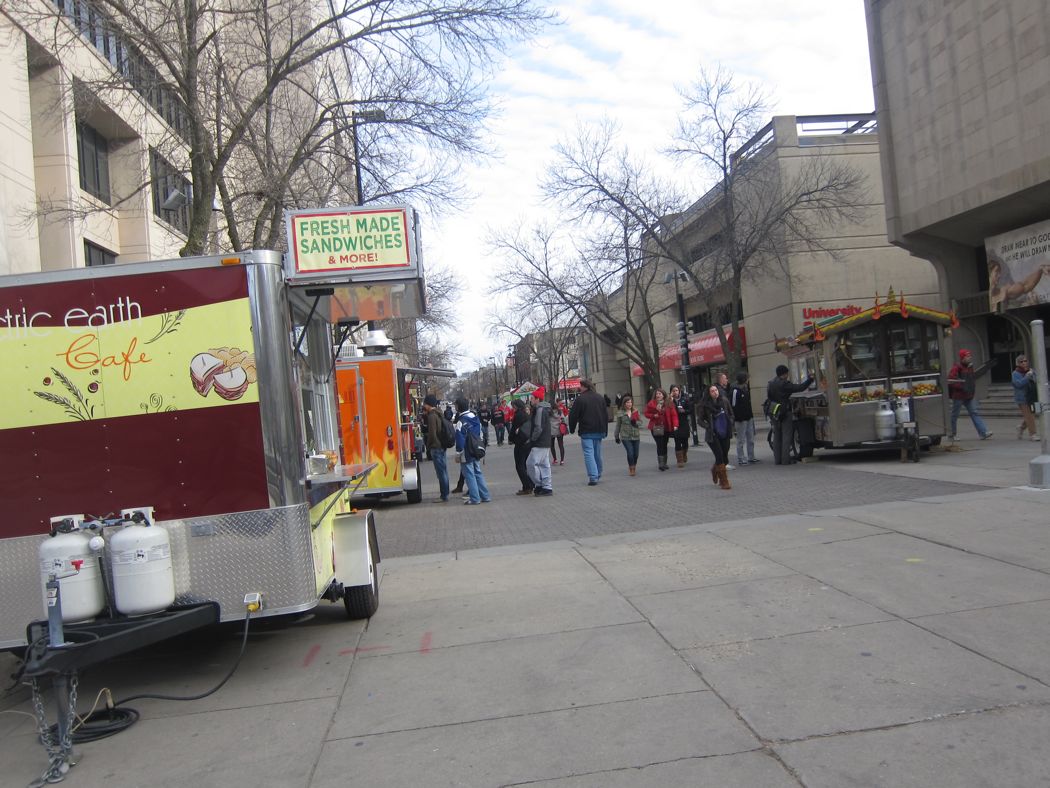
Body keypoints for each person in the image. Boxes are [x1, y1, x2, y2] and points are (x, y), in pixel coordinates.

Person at [766, 364, 814, 465]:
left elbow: (770, 397)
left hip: (774, 411)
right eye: (787, 374)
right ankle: (785, 460)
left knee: (777, 435)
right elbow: (800, 388)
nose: (787, 375)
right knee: (786, 435)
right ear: (784, 374)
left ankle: (777, 460)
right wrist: (810, 379)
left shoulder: (770, 383)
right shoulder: (784, 384)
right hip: (784, 411)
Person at [568, 378, 608, 485]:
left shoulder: (580, 399)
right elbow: (605, 415)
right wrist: (605, 430)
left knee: (588, 453)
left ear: (584, 386)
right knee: (597, 453)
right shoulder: (599, 398)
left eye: (580, 386)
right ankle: (598, 472)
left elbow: (573, 415)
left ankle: (593, 476)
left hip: (586, 430)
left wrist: (572, 428)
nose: (579, 388)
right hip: (599, 429)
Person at [947, 349, 993, 440]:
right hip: (959, 396)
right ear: (962, 358)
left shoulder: (969, 367)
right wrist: (962, 387)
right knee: (955, 415)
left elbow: (971, 379)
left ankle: (983, 433)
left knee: (974, 412)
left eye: (969, 356)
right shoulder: (957, 367)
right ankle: (952, 435)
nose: (970, 357)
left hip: (968, 395)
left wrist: (970, 389)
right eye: (967, 356)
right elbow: (951, 380)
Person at [454, 397, 491, 505]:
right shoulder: (475, 418)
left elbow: (460, 440)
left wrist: (458, 453)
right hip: (476, 449)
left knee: (469, 475)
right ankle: (485, 496)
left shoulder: (461, 421)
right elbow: (480, 433)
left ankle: (475, 498)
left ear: (458, 407)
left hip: (466, 451)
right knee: (478, 472)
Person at [699, 384, 734, 490]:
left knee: (725, 458)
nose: (715, 392)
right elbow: (700, 420)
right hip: (713, 434)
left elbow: (731, 414)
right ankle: (724, 481)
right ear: (709, 394)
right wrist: (708, 426)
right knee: (719, 456)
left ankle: (715, 469)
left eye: (716, 390)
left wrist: (730, 422)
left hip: (725, 432)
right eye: (712, 391)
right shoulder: (705, 405)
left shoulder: (724, 400)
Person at [526, 387, 554, 496]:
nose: (531, 400)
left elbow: (538, 427)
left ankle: (540, 484)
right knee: (544, 465)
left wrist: (532, 439)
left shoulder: (540, 410)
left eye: (532, 398)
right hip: (545, 441)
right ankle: (546, 486)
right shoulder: (544, 409)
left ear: (537, 399)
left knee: (531, 464)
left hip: (539, 442)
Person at [422, 394, 450, 502]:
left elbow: (432, 434)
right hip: (442, 445)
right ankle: (445, 493)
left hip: (436, 447)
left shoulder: (432, 416)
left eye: (425, 403)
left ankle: (444, 495)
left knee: (440, 473)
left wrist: (428, 446)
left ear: (429, 404)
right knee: (444, 471)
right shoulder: (439, 413)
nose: (424, 405)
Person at [643, 388, 678, 471]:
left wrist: (675, 425)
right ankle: (661, 464)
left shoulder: (669, 403)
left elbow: (674, 415)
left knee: (664, 444)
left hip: (666, 427)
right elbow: (646, 413)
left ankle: (664, 462)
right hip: (656, 427)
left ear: (663, 395)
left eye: (660, 394)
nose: (658, 395)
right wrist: (653, 415)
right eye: (657, 394)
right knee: (660, 444)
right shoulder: (651, 403)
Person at [730, 371, 758, 466]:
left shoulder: (745, 388)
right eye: (747, 378)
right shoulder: (735, 390)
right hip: (740, 419)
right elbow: (733, 405)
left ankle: (751, 457)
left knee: (751, 439)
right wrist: (737, 417)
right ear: (744, 379)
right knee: (741, 440)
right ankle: (741, 458)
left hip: (748, 417)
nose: (748, 380)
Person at [508, 398, 534, 495]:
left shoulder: (518, 415)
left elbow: (513, 429)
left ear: (516, 406)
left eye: (513, 406)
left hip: (520, 443)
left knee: (520, 466)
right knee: (525, 465)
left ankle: (527, 486)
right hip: (528, 442)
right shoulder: (527, 415)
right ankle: (530, 484)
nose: (512, 408)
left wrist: (511, 438)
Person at [1011, 354, 1039, 441]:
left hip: (1033, 397)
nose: (1024, 363)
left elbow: (1037, 381)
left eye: (1025, 361)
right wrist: (1027, 377)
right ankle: (1033, 434)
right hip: (1023, 399)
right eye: (1021, 362)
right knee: (1029, 416)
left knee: (1032, 415)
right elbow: (1018, 384)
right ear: (1018, 363)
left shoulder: (1031, 371)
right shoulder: (1015, 373)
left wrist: (1033, 375)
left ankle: (1021, 427)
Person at [613, 394, 642, 476]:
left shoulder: (635, 411)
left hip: (636, 435)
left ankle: (634, 465)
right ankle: (631, 468)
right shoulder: (620, 413)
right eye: (627, 402)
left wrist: (636, 423)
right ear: (624, 403)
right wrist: (616, 436)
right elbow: (618, 425)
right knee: (630, 452)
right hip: (625, 436)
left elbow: (641, 422)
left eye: (630, 402)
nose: (629, 404)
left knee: (636, 454)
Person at [668, 384, 692, 469]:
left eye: (676, 390)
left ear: (679, 391)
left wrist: (684, 411)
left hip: (684, 422)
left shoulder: (684, 399)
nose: (675, 392)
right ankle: (679, 460)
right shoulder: (670, 400)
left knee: (685, 441)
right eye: (673, 391)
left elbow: (690, 410)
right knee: (677, 441)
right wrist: (670, 400)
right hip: (675, 423)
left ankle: (684, 453)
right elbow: (667, 409)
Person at [550, 397, 569, 465]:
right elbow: (563, 419)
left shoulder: (548, 413)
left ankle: (555, 459)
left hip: (551, 431)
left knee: (552, 446)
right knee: (561, 445)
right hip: (559, 430)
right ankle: (562, 460)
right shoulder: (559, 411)